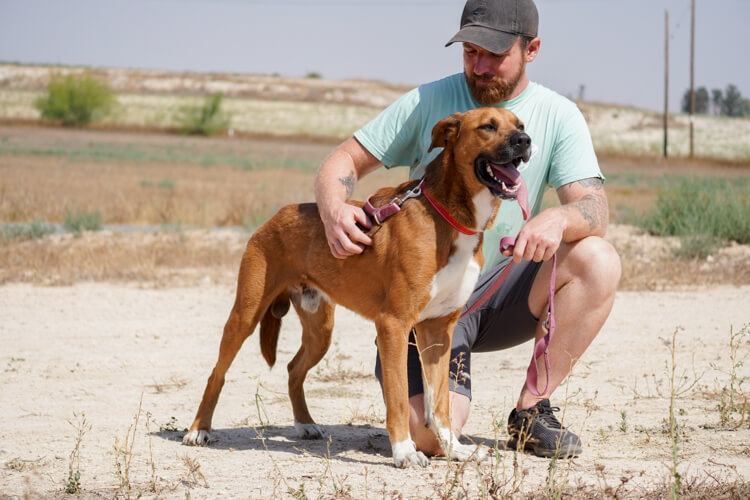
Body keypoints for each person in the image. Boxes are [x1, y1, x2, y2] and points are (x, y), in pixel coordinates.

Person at [314, 0, 620, 458]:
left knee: (597, 259)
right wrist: (334, 209)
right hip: (423, 294)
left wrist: (559, 218)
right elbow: (342, 161)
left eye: (495, 54)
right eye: (470, 52)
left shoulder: (559, 115)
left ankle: (532, 411)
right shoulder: (428, 102)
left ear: (531, 49)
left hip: (499, 286)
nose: (480, 66)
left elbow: (595, 208)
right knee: (430, 439)